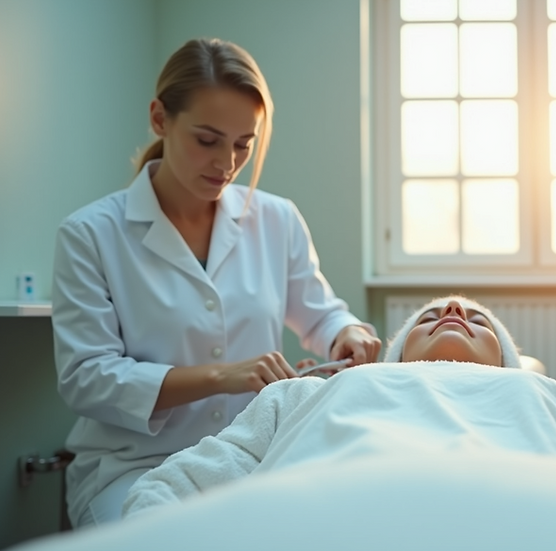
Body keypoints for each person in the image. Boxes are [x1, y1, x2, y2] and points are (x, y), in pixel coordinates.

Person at [51, 37, 381, 529]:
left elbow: (320, 313)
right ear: (160, 119)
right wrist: (222, 376)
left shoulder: (276, 218)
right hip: (135, 466)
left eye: (243, 144)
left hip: (249, 458)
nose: (226, 163)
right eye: (207, 140)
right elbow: (87, 378)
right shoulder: (91, 234)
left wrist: (345, 332)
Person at [120, 295, 556, 518]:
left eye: (477, 319)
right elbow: (174, 488)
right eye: (430, 316)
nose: (454, 312)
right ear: (395, 355)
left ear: (508, 362)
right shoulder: (307, 394)